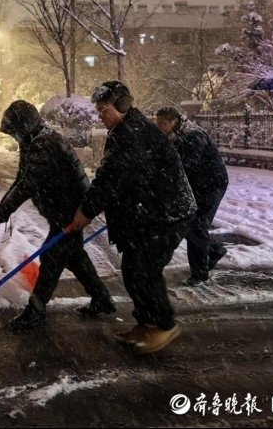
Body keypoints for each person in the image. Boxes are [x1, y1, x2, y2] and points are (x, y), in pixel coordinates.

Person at [72, 82, 197, 354]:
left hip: (169, 213)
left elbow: (111, 178)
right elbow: (116, 178)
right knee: (132, 269)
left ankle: (163, 325)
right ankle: (146, 324)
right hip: (149, 212)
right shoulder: (124, 130)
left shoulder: (133, 133)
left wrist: (86, 211)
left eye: (104, 110)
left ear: (122, 105)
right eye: (98, 110)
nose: (100, 116)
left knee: (144, 270)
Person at [0, 100, 116, 331]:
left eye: (16, 132)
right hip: (62, 211)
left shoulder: (45, 143)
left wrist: (6, 209)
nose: (15, 138)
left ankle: (36, 311)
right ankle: (102, 298)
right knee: (74, 258)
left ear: (25, 126)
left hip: (70, 212)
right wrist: (2, 206)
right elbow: (21, 178)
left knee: (51, 258)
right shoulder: (33, 141)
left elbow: (29, 184)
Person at [155, 107, 229, 287]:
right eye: (157, 123)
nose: (159, 127)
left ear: (173, 121)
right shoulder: (174, 135)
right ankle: (214, 250)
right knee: (189, 224)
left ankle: (200, 275)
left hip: (212, 185)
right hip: (196, 185)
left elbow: (185, 166)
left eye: (162, 123)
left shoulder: (194, 136)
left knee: (196, 226)